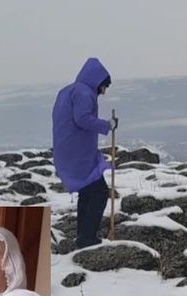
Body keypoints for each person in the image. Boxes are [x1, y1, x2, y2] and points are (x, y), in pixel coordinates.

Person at [52, 57, 118, 248]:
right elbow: (82, 119)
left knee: (88, 192)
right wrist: (107, 125)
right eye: (104, 87)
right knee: (99, 192)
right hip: (78, 152)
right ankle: (87, 237)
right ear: (98, 81)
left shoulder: (67, 91)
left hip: (68, 149)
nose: (103, 92)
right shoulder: (83, 92)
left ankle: (83, 235)